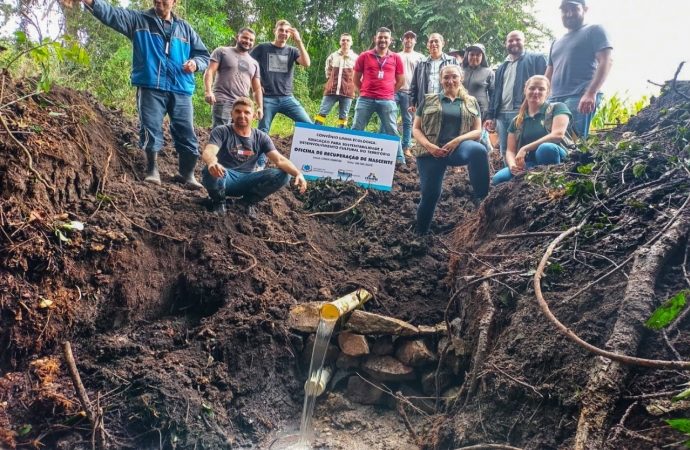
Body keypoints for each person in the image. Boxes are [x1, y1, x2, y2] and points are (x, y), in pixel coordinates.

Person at [78, 0, 210, 189]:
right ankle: (152, 170)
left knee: (186, 132)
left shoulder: (185, 28)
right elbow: (111, 13)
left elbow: (204, 55)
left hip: (180, 87)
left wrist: (196, 64)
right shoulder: (138, 20)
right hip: (150, 85)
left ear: (174, 2)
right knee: (150, 127)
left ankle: (187, 174)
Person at [411, 65, 489, 235]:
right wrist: (429, 146)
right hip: (431, 152)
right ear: (441, 79)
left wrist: (457, 140)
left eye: (454, 77)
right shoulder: (429, 100)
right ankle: (421, 235)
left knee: (478, 150)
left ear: (461, 78)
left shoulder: (470, 101)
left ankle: (481, 198)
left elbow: (477, 130)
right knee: (430, 195)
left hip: (457, 149)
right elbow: (415, 129)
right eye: (446, 77)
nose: (450, 81)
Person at [200, 97, 307, 218]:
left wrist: (298, 173)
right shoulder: (221, 131)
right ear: (232, 114)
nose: (242, 115)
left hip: (248, 179)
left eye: (247, 112)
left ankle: (247, 203)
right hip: (224, 177)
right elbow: (209, 151)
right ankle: (219, 202)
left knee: (284, 174)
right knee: (208, 170)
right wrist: (212, 162)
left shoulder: (261, 137)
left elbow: (279, 159)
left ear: (254, 116)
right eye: (238, 111)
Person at [545, 0, 613, 140]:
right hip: (554, 98)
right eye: (565, 10)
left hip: (579, 95)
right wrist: (542, 96)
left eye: (574, 9)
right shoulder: (556, 42)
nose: (569, 14)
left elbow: (606, 60)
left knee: (573, 142)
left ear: (585, 9)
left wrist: (591, 93)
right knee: (550, 141)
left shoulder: (594, 30)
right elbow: (549, 73)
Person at [250, 20, 312, 169]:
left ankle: (309, 162)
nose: (283, 33)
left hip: (287, 98)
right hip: (267, 99)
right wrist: (255, 86)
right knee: (263, 132)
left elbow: (306, 63)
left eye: (286, 31)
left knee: (308, 126)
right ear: (275, 30)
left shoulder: (291, 51)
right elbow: (248, 65)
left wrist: (299, 41)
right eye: (281, 30)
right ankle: (259, 165)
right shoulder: (262, 48)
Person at [492, 76, 573, 186]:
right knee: (499, 179)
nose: (536, 92)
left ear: (548, 92)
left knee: (545, 148)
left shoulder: (557, 108)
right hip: (533, 163)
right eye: (532, 88)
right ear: (525, 90)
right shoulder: (517, 121)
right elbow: (510, 151)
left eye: (541, 89)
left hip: (560, 158)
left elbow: (557, 135)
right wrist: (512, 166)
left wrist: (525, 148)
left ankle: (555, 186)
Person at [485, 31, 548, 165]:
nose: (514, 43)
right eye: (510, 41)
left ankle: (527, 180)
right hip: (502, 114)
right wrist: (491, 115)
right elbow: (496, 92)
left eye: (517, 40)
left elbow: (546, 86)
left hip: (521, 112)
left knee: (525, 149)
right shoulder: (502, 66)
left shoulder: (536, 59)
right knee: (505, 150)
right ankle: (510, 179)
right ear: (505, 43)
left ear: (524, 41)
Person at [351, 27, 405, 165]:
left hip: (387, 100)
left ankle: (400, 160)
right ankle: (351, 157)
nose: (383, 40)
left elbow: (400, 81)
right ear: (375, 39)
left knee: (392, 131)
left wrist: (389, 92)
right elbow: (355, 78)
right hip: (365, 99)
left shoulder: (396, 58)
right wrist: (363, 90)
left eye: (386, 38)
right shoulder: (364, 56)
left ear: (390, 40)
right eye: (380, 37)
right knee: (357, 129)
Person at [203, 28, 262, 128]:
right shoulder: (222, 52)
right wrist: (208, 91)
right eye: (245, 38)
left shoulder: (254, 63)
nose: (248, 41)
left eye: (251, 40)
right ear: (237, 37)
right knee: (221, 134)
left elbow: (257, 88)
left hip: (242, 105)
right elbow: (210, 71)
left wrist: (260, 107)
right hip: (223, 101)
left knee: (239, 136)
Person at [314, 33, 358, 128]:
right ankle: (315, 131)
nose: (345, 42)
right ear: (340, 42)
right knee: (322, 112)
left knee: (343, 117)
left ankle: (340, 136)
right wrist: (332, 80)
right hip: (331, 90)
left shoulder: (356, 58)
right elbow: (328, 70)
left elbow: (359, 75)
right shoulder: (333, 56)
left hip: (347, 92)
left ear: (351, 43)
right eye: (343, 40)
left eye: (347, 40)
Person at [408, 33, 457, 112]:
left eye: (436, 41)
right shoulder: (421, 63)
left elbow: (460, 83)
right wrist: (411, 103)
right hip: (426, 103)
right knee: (426, 124)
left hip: (446, 102)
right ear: (427, 45)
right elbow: (414, 85)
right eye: (431, 42)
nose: (433, 44)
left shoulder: (452, 61)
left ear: (443, 44)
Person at [394, 31, 424, 157]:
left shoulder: (420, 57)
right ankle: (384, 143)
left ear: (415, 41)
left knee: (407, 121)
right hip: (394, 91)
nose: (409, 40)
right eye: (406, 38)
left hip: (409, 93)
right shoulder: (395, 55)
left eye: (412, 38)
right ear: (403, 40)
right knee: (388, 117)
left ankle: (406, 146)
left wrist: (417, 97)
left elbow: (421, 77)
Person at [461, 43, 494, 121]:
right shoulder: (459, 71)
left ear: (482, 57)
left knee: (478, 132)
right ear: (467, 56)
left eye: (478, 55)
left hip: (481, 111)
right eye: (471, 54)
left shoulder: (489, 73)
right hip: (462, 109)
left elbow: (493, 94)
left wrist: (491, 114)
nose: (474, 57)